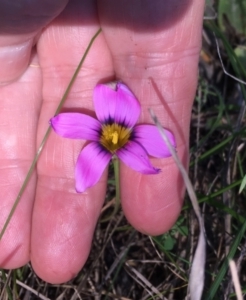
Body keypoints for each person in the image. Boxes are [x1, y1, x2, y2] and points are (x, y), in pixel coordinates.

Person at [0, 0, 205, 283]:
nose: (113, 139)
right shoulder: (108, 136)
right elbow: (64, 124)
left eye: (115, 141)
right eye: (113, 140)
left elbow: (137, 152)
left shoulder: (118, 137)